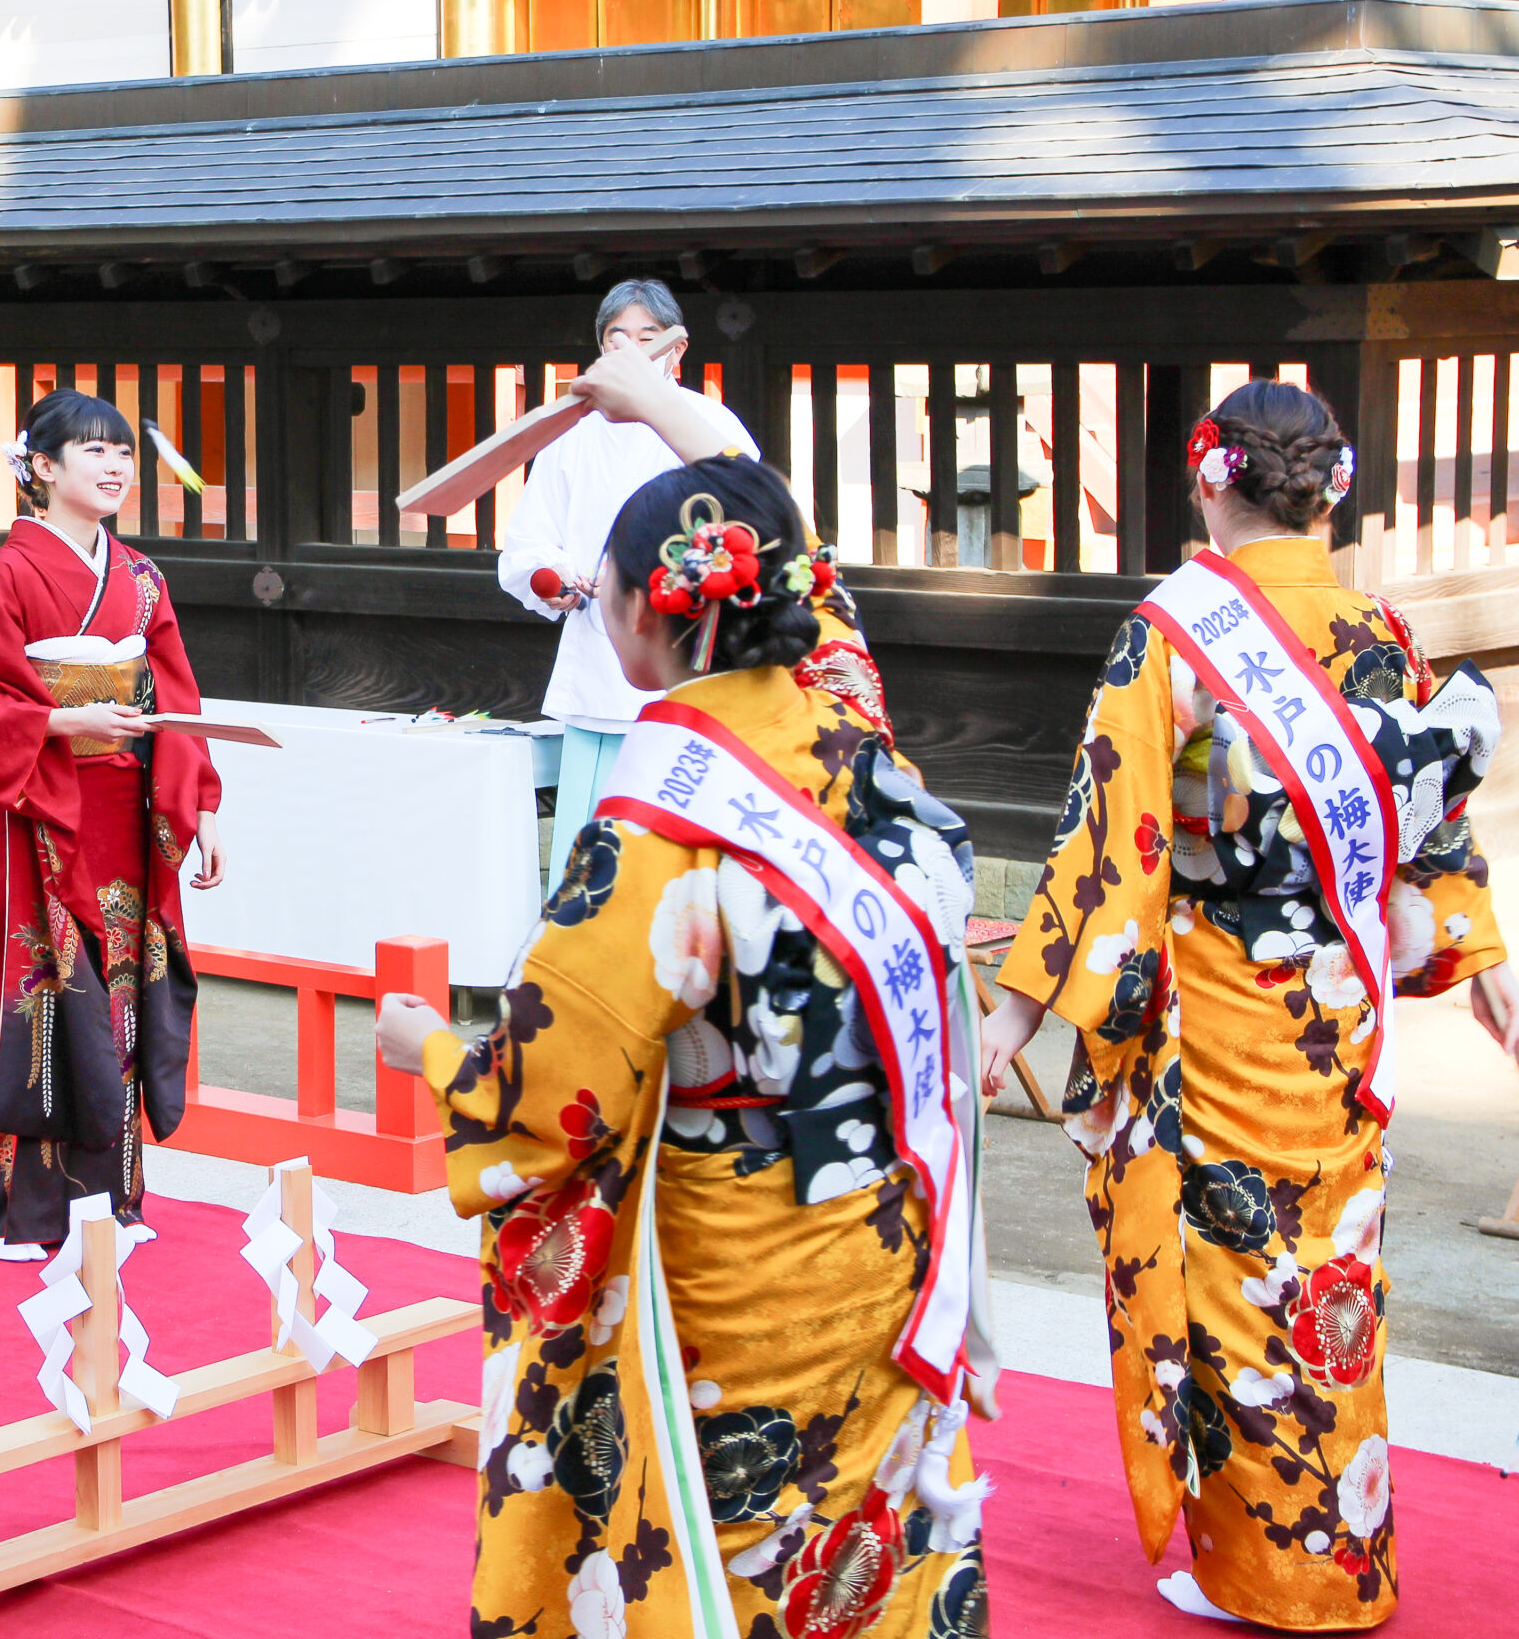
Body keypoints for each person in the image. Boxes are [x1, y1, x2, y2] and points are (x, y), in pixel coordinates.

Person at [381, 456, 992, 1638]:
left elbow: (556, 1082)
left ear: (648, 607)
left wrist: (435, 1050)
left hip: (743, 1245)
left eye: (605, 591)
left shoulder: (660, 817)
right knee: (865, 1524)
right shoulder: (857, 732)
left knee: (745, 1536)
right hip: (889, 1217)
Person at [980, 382, 1516, 1630]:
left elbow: (1109, 838)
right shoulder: (1380, 628)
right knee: (1331, 1283)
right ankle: (1343, 1553)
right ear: (1326, 489)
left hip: (1219, 1009)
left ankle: (1265, 1570)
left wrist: (1023, 1007)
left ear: (1208, 479)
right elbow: (1425, 828)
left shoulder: (1174, 629)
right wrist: (1478, 951)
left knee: (1233, 1287)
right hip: (1339, 1013)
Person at [0, 389, 226, 1259]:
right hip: (36, 808)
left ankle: (115, 1203)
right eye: (93, 452)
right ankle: (20, 1212)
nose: (113, 467)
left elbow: (175, 699)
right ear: (45, 468)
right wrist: (58, 723)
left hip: (124, 814)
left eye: (123, 455)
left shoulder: (142, 580)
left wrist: (201, 806)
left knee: (121, 1000)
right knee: (37, 997)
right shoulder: (10, 575)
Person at [498, 281, 759, 864]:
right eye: (619, 338)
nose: (635, 351)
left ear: (678, 348)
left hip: (690, 648)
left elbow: (754, 520)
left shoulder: (710, 423)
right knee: (596, 837)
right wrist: (555, 581)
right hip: (601, 642)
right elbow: (529, 544)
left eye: (649, 338)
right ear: (600, 349)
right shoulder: (569, 434)